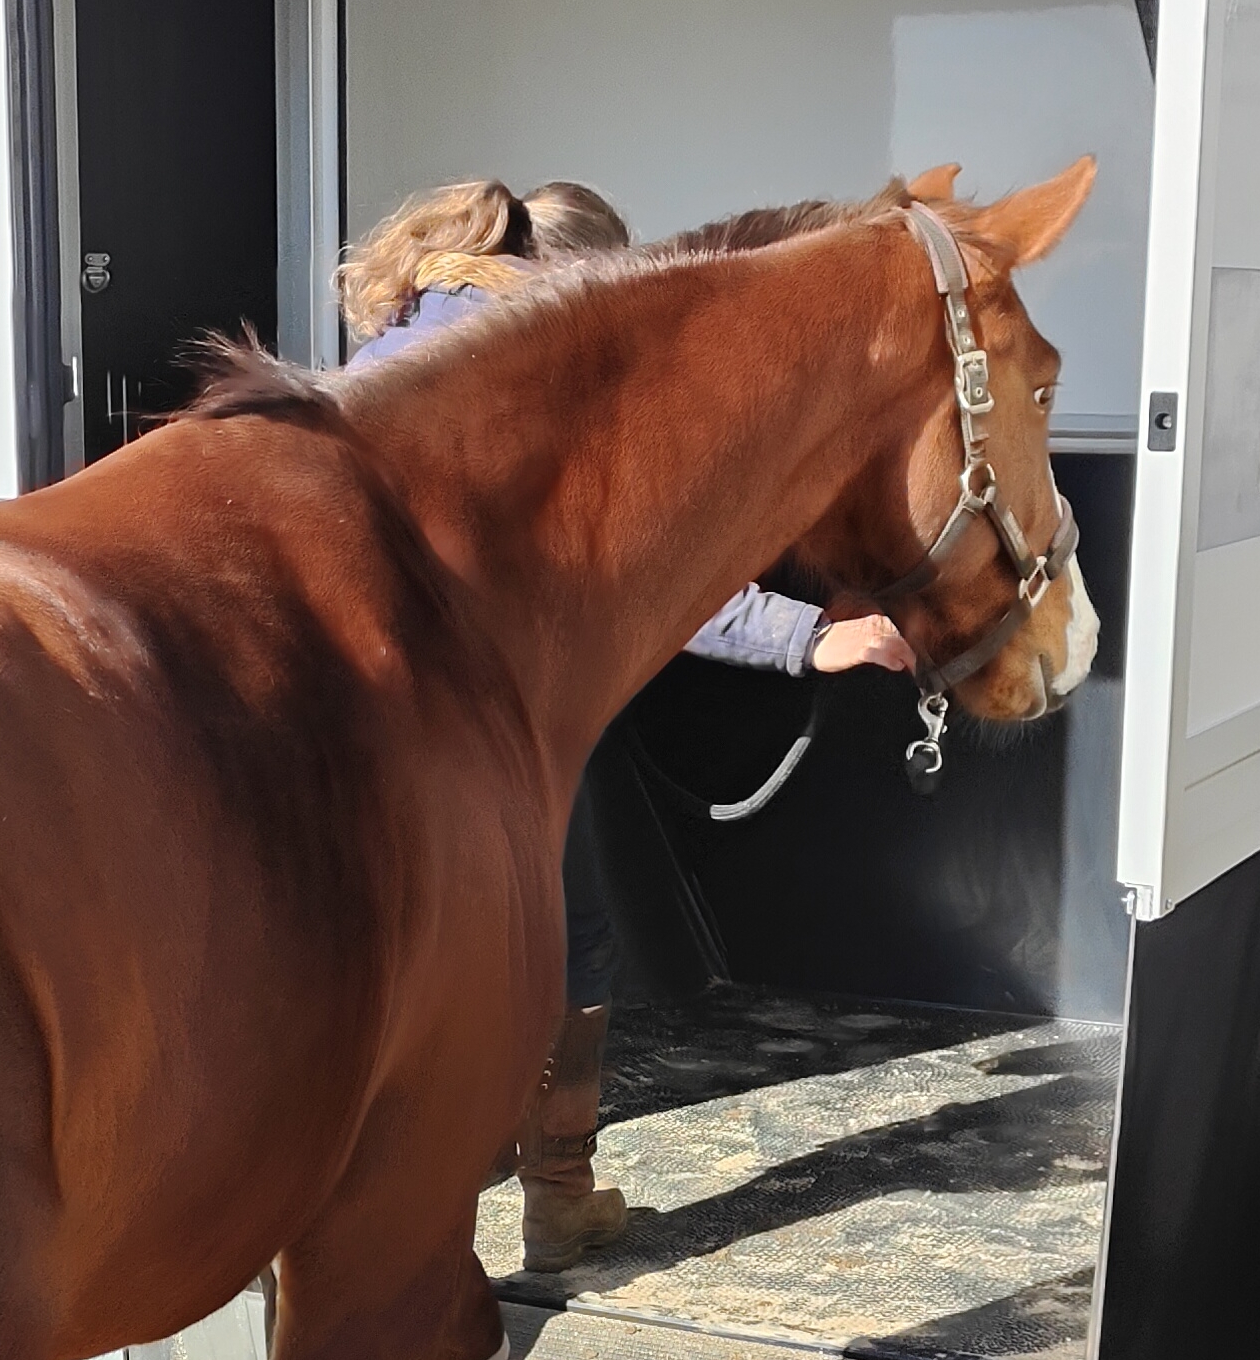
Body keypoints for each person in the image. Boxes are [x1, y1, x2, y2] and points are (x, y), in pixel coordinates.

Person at [341, 179, 914, 1283]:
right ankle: (549, 1202)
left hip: (366, 718)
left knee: (420, 957)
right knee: (568, 940)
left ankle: (417, 1210)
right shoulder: (539, 373)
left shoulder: (389, 354)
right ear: (589, 280)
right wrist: (810, 638)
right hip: (499, 720)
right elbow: (643, 566)